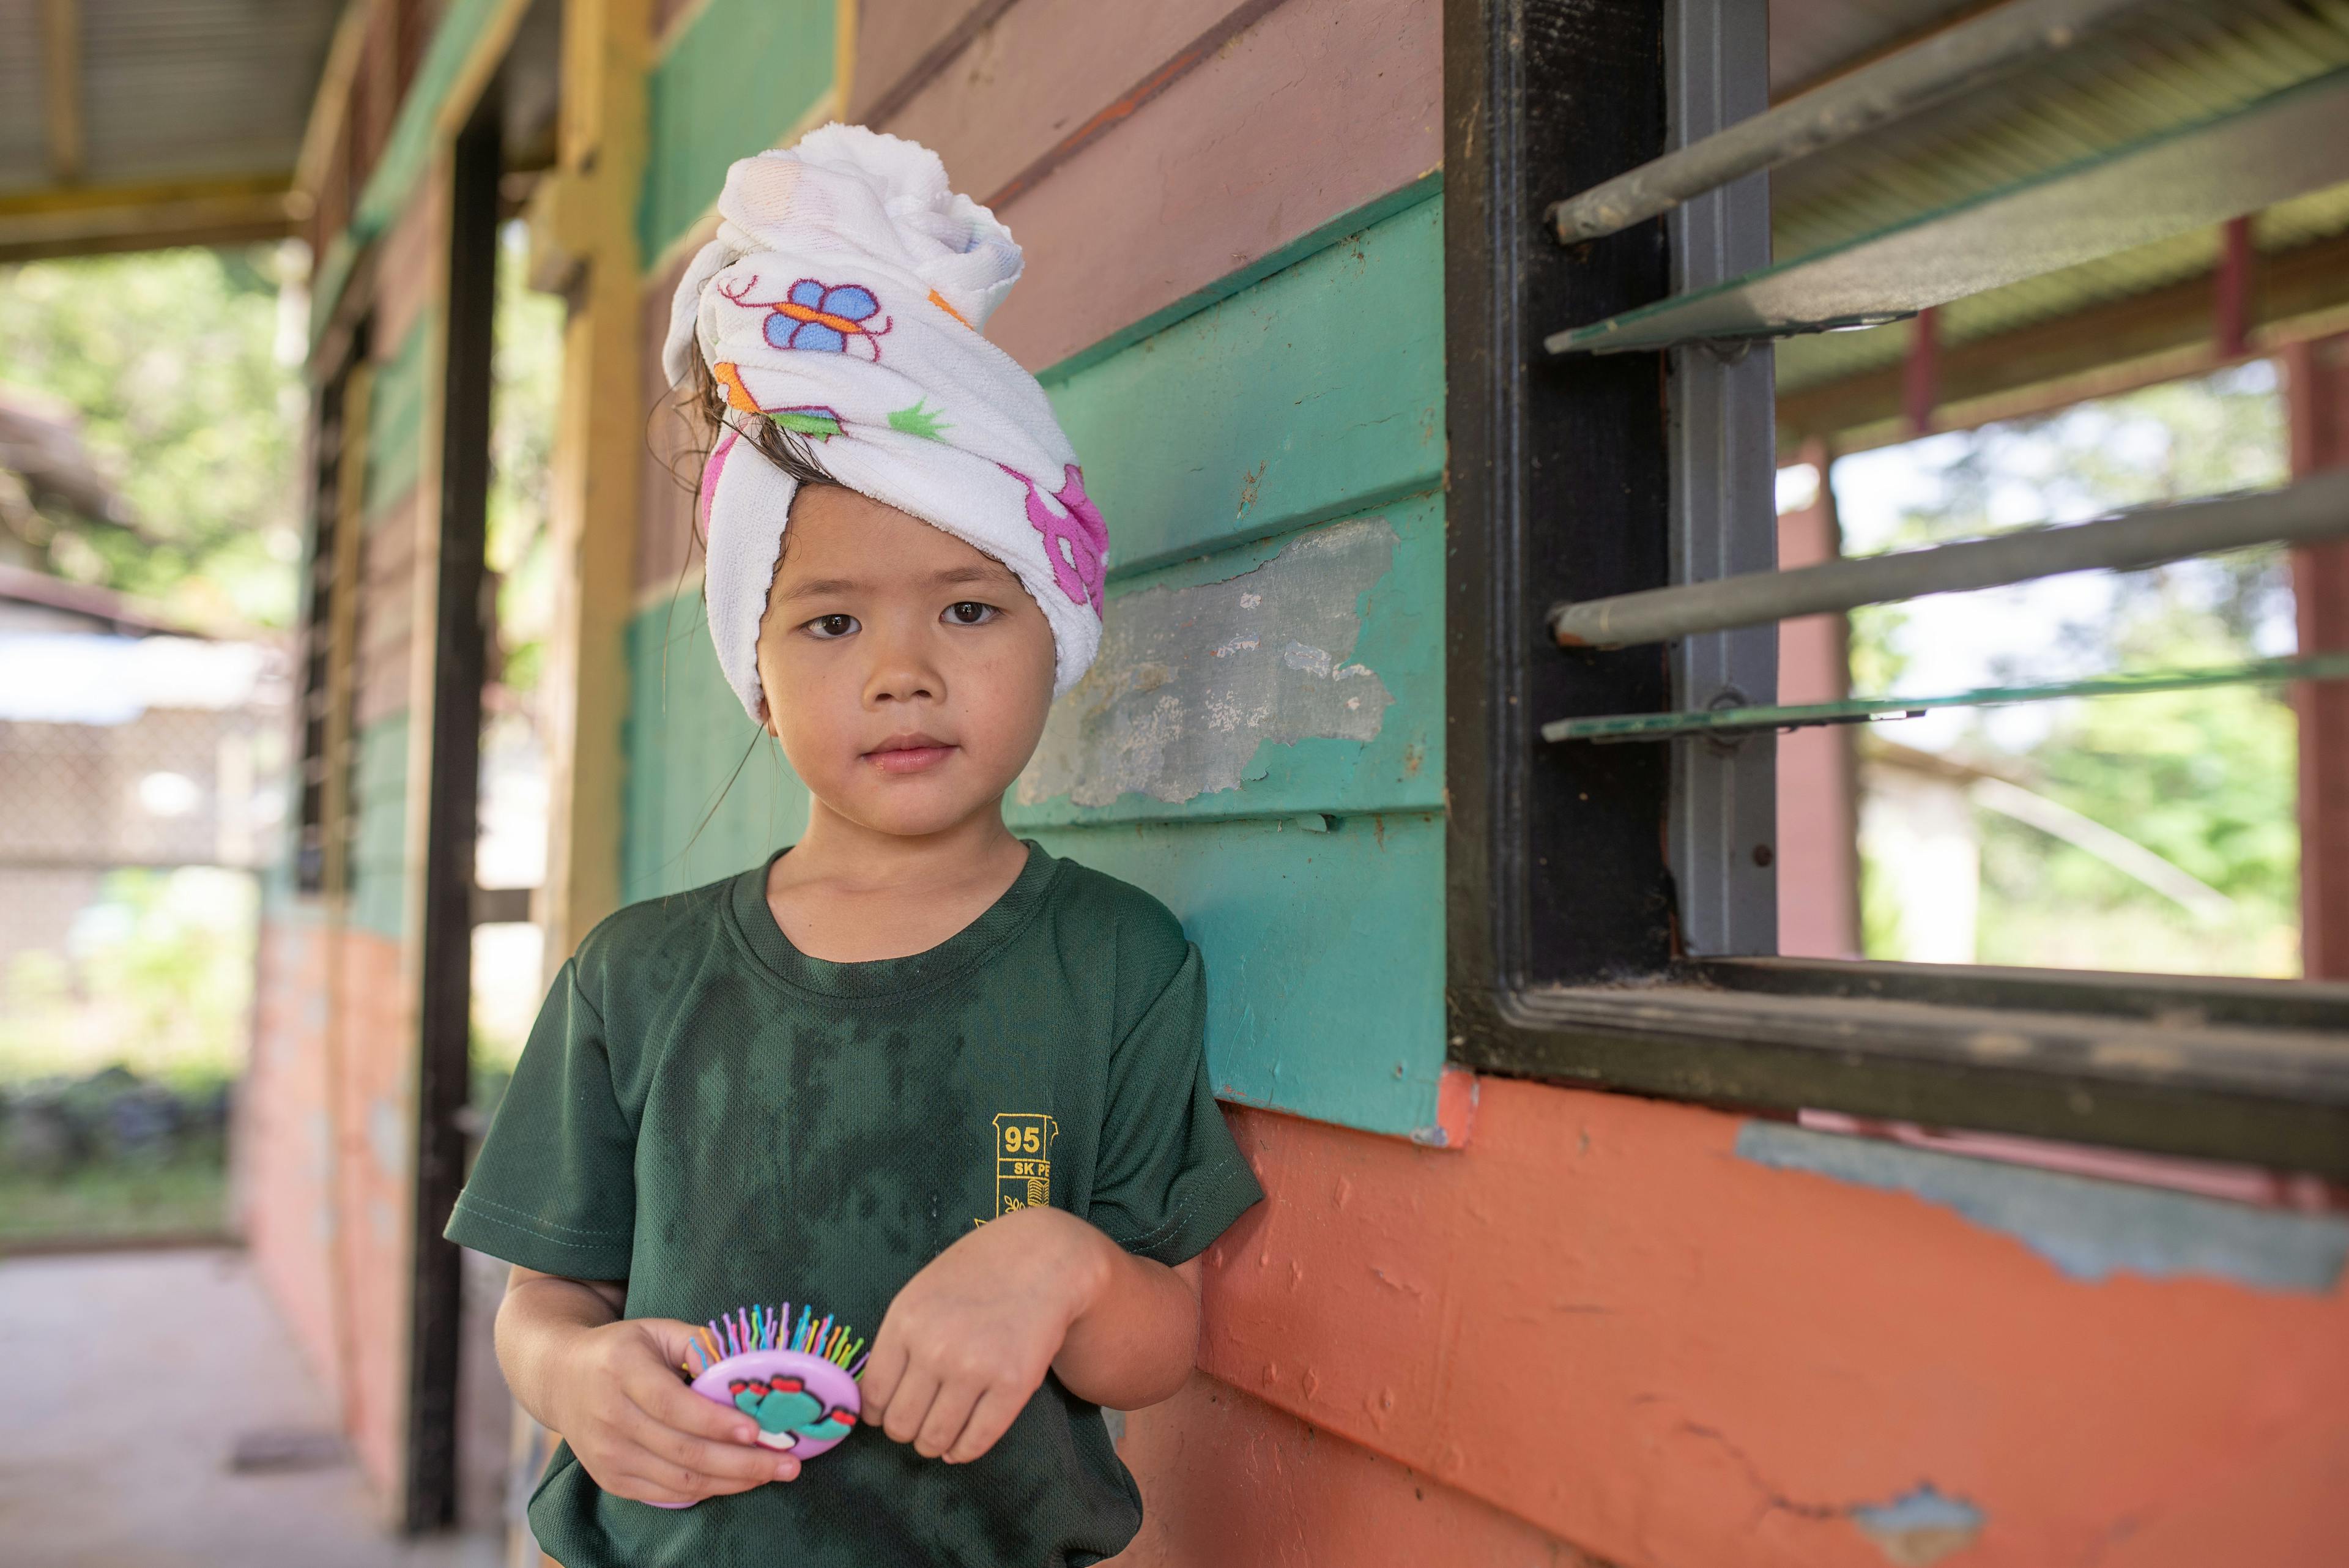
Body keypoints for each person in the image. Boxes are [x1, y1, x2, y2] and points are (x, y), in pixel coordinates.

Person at [445, 125, 1264, 1567]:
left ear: (1056, 634)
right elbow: (542, 1306)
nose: (901, 671)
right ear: (756, 667)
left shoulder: (1114, 961)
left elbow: (1156, 1347)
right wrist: (576, 1379)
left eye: (967, 608)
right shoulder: (633, 976)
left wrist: (1065, 1261)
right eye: (831, 621)